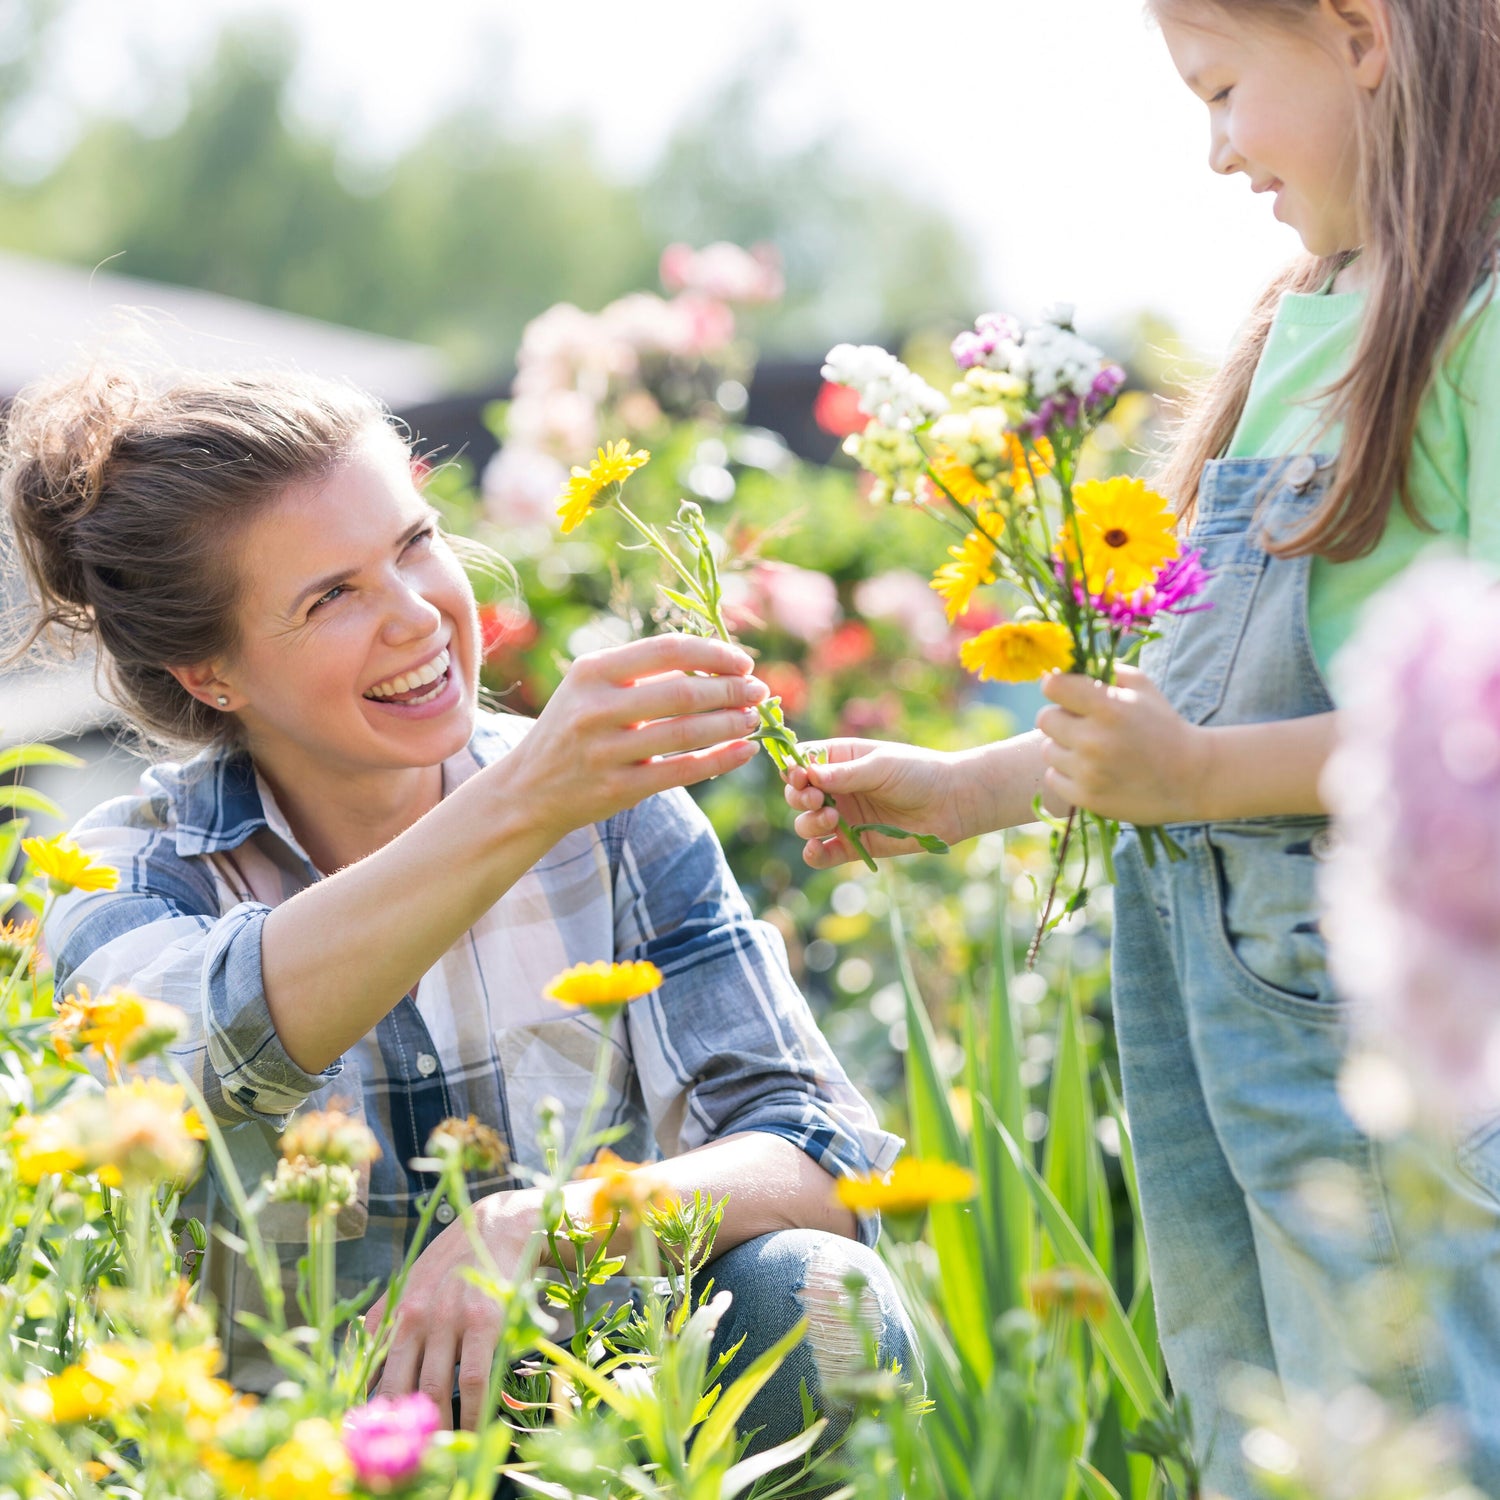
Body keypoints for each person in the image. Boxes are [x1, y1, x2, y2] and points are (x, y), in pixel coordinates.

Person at [787, 0, 1500, 1491]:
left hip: (1381, 1008)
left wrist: (1198, 783)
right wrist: (971, 792)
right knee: (1256, 1423)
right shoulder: (1306, 322)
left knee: (1407, 1414)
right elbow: (1195, 688)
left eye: (1226, 88)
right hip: (1206, 990)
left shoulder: (1482, 327)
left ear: (1364, 33)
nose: (1220, 150)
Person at [4, 365, 912, 1463]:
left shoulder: (613, 817)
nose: (417, 614)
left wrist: (552, 1223)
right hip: (283, 1464)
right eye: (330, 596)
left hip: (586, 1440)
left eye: (413, 543)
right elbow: (201, 1063)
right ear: (212, 674)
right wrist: (525, 800)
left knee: (814, 1300)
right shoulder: (127, 877)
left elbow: (820, 1155)